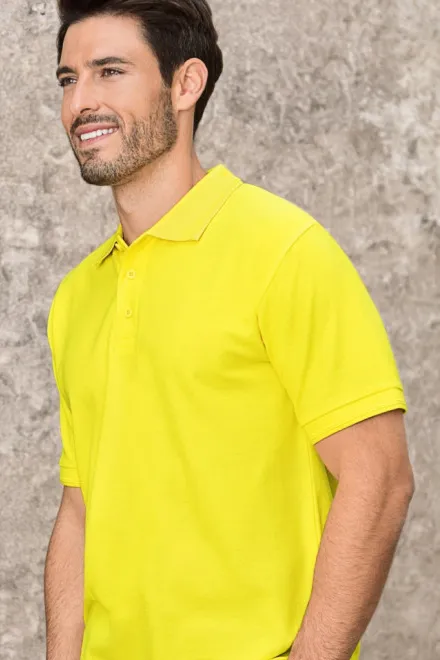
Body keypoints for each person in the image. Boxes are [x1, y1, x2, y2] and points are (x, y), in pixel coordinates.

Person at [44, 1, 415, 659]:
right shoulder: (77, 297)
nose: (81, 102)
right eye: (69, 79)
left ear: (186, 84)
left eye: (110, 71)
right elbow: (80, 510)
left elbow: (379, 480)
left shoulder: (284, 251)